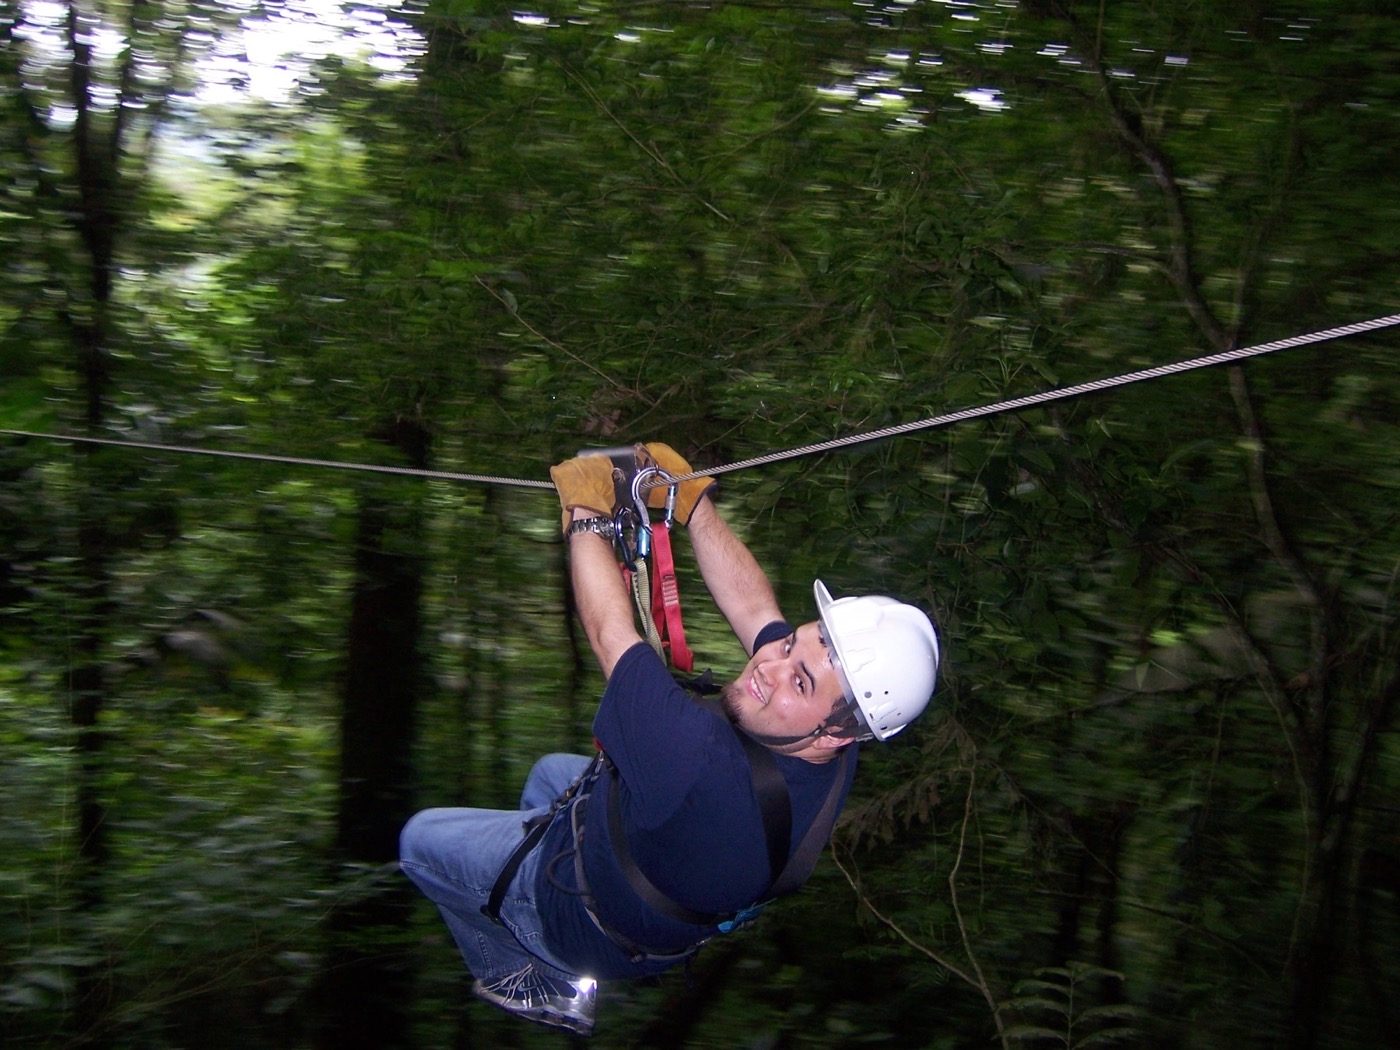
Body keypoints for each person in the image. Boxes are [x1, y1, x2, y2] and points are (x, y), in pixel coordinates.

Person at [399, 443, 940, 1036]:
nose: (771, 665)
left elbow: (611, 634)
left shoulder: (702, 764)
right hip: (648, 881)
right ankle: (544, 869)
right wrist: (694, 506)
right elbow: (758, 609)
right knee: (550, 771)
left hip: (587, 917)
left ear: (838, 733)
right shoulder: (834, 726)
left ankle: (539, 974)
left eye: (800, 678)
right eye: (794, 647)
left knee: (419, 841)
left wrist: (584, 513)